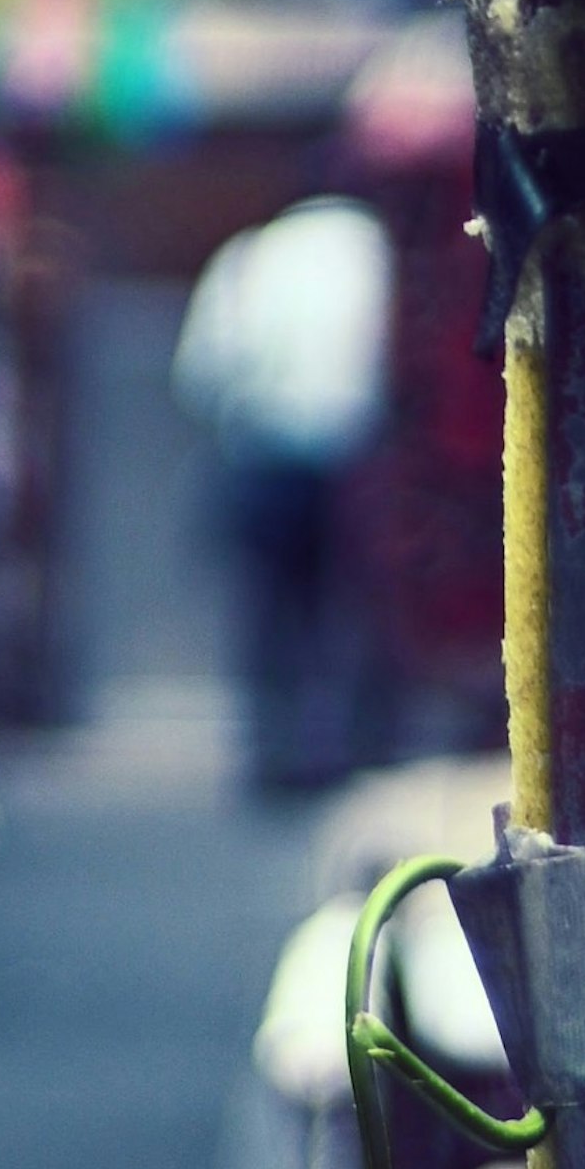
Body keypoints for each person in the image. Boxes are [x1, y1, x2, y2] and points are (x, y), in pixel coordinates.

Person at [173, 191, 394, 791]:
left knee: (273, 612)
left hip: (266, 454)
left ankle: (277, 748)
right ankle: (355, 748)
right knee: (353, 608)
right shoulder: (379, 251)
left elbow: (202, 371)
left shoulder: (250, 257)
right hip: (361, 454)